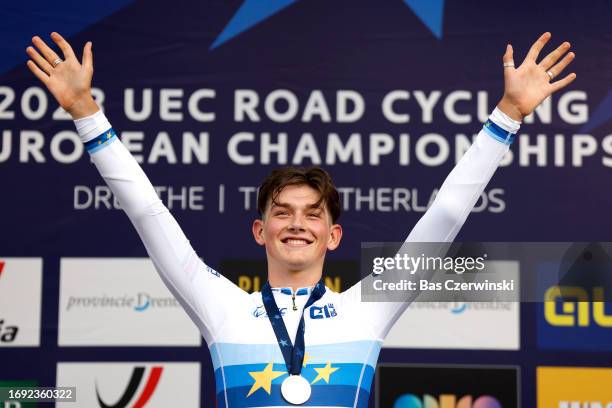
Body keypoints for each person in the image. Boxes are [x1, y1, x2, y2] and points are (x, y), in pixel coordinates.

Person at [26, 32, 575, 407]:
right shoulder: (222, 307)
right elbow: (147, 211)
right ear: (258, 231)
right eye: (281, 212)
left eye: (313, 215)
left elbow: (446, 215)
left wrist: (508, 115)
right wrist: (85, 113)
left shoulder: (369, 306)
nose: (297, 224)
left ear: (333, 235)